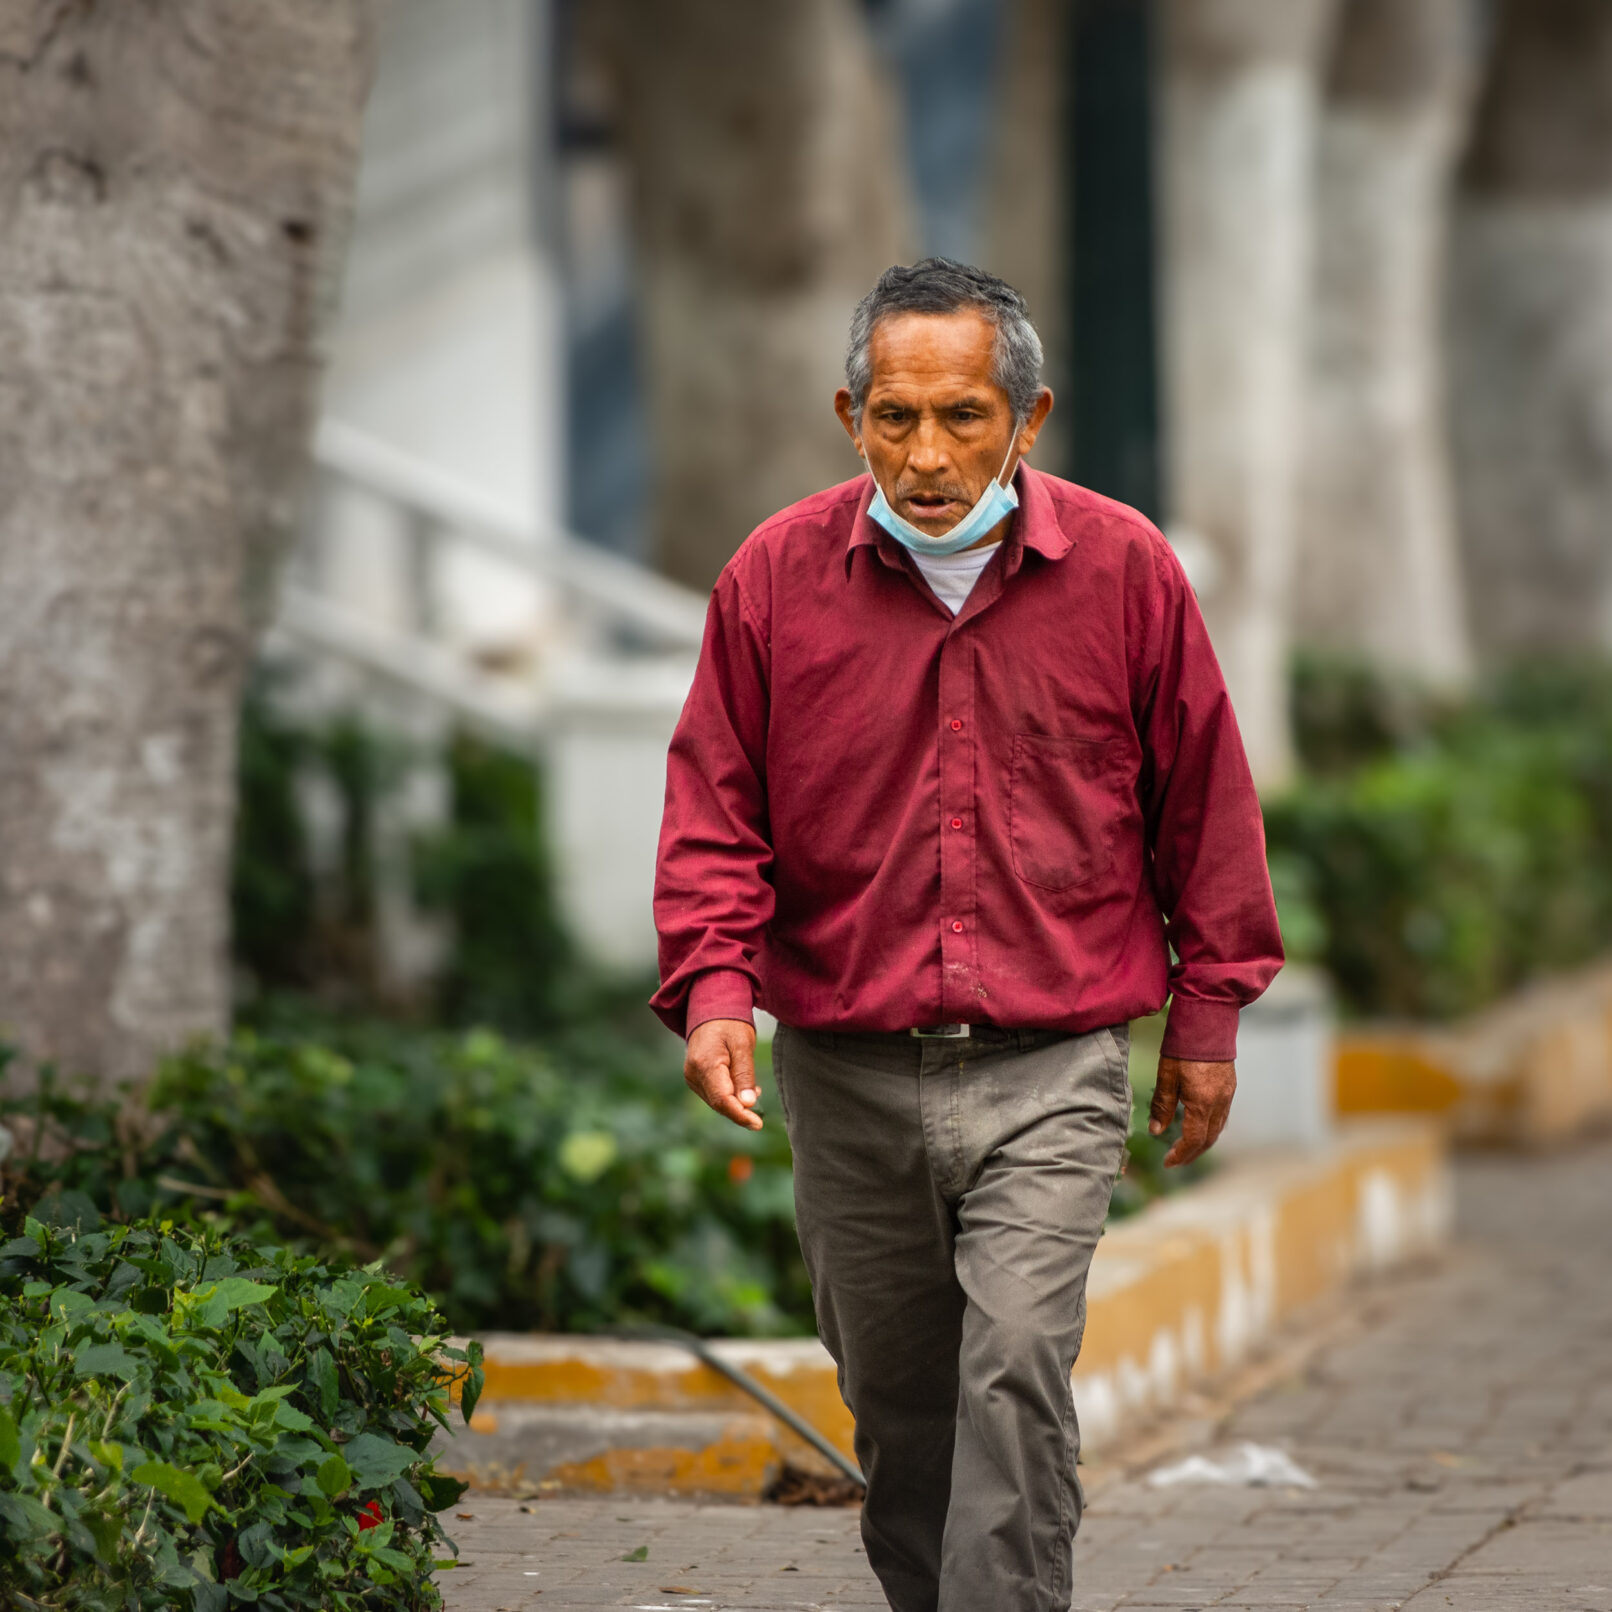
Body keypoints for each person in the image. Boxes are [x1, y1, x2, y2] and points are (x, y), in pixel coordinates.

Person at [651, 258, 1283, 1612]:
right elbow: (715, 806)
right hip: (848, 1070)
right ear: (849, 414)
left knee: (1011, 1372)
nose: (926, 456)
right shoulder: (773, 581)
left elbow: (1206, 803)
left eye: (961, 419)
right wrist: (713, 986)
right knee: (903, 1415)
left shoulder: (1125, 571)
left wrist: (1209, 1018)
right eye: (894, 419)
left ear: (1027, 419)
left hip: (1050, 1068)